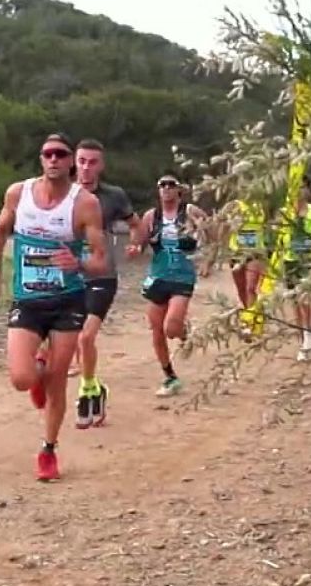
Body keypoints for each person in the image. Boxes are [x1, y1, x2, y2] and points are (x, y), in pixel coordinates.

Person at [0, 133, 107, 482]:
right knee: (21, 379)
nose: (54, 159)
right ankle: (36, 371)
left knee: (57, 382)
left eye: (61, 154)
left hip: (68, 301)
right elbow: (0, 229)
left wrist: (76, 263)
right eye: (47, 154)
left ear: (70, 162)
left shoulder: (85, 204)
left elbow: (101, 261)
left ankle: (48, 449)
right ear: (41, 159)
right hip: (29, 299)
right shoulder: (18, 194)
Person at [67, 139, 136, 429]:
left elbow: (136, 224)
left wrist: (137, 243)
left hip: (102, 277)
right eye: (82, 160)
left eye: (92, 161)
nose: (86, 167)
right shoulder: (64, 194)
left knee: (85, 338)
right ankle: (96, 387)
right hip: (71, 277)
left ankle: (85, 392)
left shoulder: (113, 196)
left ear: (101, 165)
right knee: (74, 340)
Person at [127, 173, 207, 397]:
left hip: (183, 276)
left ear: (179, 190)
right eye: (162, 185)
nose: (167, 188)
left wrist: (208, 258)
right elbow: (141, 242)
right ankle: (170, 377)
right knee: (156, 330)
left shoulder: (190, 212)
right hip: (158, 276)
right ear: (158, 190)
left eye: (171, 185)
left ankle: (182, 328)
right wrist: (135, 249)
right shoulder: (152, 216)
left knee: (170, 328)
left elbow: (212, 229)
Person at [280, 176, 311, 361]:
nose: (300, 191)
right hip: (290, 259)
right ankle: (303, 339)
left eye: (303, 187)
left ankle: (308, 334)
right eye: (296, 188)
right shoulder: (285, 212)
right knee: (295, 301)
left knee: (304, 298)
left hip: (308, 259)